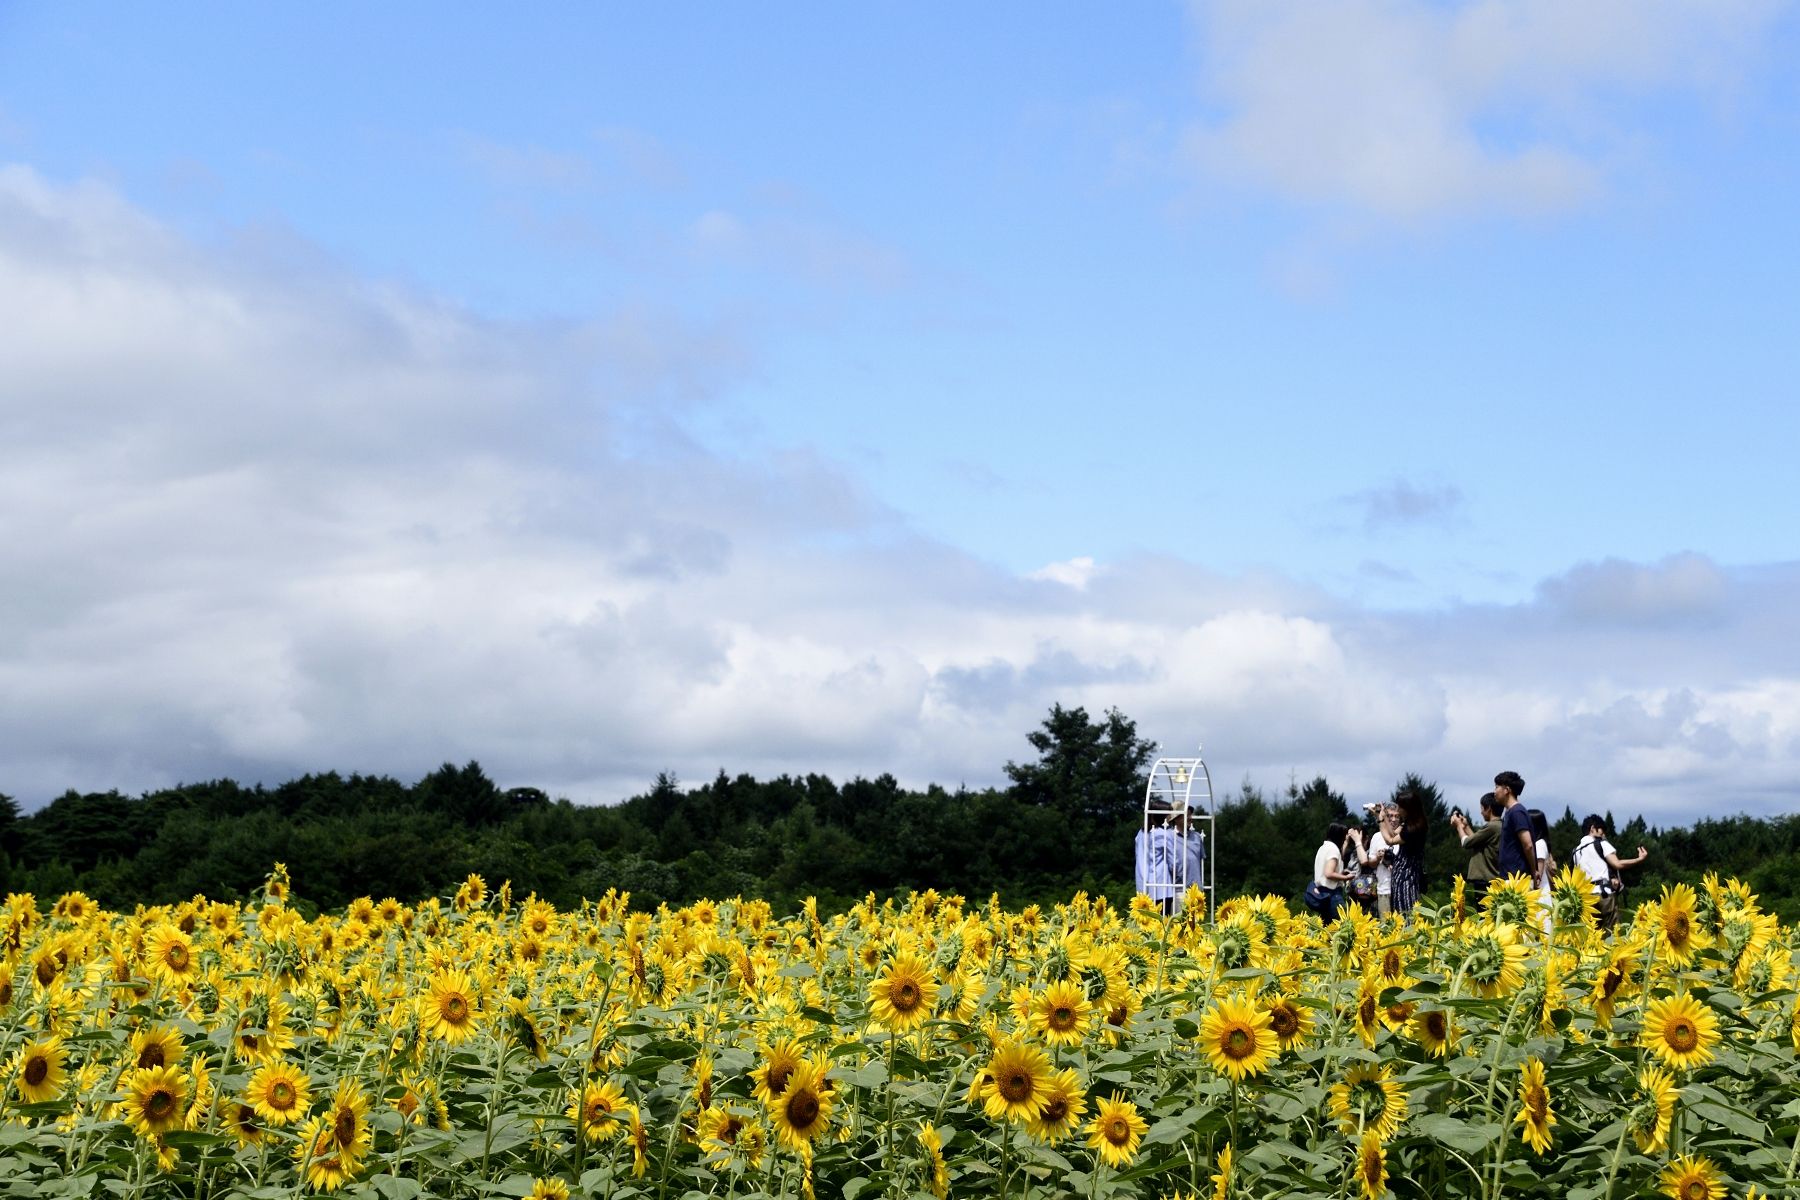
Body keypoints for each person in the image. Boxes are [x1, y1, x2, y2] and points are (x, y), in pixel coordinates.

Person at [1572, 814, 1647, 932]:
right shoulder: (1601, 844)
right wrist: (1639, 859)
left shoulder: (1576, 851)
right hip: (1604, 895)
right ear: (1593, 828)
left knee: (1592, 935)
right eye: (1602, 830)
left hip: (1585, 899)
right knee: (1612, 933)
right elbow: (1617, 864)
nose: (1603, 834)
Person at [1450, 792, 1502, 908]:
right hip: (1492, 880)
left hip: (1485, 881)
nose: (1481, 812)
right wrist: (1466, 826)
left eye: (1482, 808)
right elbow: (1476, 841)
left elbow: (1467, 843)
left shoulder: (1491, 827)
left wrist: (1459, 826)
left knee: (1483, 916)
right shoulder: (1498, 825)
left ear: (1488, 808)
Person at [1307, 821, 1360, 922]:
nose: (1345, 838)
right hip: (1332, 894)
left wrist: (1340, 873)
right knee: (1340, 925)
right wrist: (1346, 877)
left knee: (1327, 927)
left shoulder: (1323, 848)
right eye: (1344, 835)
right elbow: (1329, 873)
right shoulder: (1333, 850)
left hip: (1321, 893)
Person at [1356, 804, 1401, 917]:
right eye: (1390, 816)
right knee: (1386, 927)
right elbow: (1370, 863)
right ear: (1384, 816)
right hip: (1384, 889)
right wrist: (1378, 857)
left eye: (1397, 816)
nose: (1394, 819)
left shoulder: (1404, 835)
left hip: (1401, 889)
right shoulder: (1377, 837)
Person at [1390, 789, 1428, 917]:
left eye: (1400, 807)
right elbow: (1393, 833)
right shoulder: (1412, 824)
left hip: (1406, 877)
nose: (1398, 810)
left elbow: (1390, 839)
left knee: (1406, 914)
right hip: (1404, 876)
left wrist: (1381, 820)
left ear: (1408, 809)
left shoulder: (1413, 829)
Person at [1494, 771, 1533, 881]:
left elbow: (1528, 844)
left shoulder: (1516, 812)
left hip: (1517, 880)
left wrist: (1534, 871)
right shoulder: (1510, 813)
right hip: (1510, 877)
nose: (1494, 792)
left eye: (1497, 787)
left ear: (1506, 790)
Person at [1528, 808, 1554, 932]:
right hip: (1540, 894)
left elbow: (1538, 872)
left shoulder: (1539, 844)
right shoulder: (1541, 843)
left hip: (1539, 895)